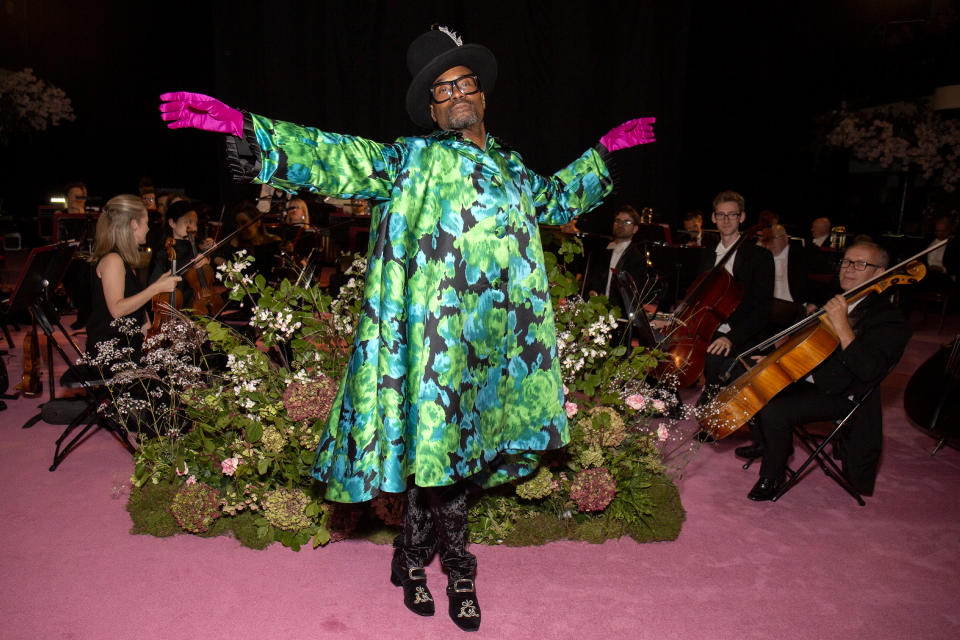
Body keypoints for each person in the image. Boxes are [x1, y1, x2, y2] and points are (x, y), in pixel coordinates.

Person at [160, 24, 655, 632]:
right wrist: (248, 128)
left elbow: (555, 201)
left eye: (463, 83)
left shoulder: (510, 166)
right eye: (440, 90)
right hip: (436, 348)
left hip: (498, 347)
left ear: (482, 92)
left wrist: (602, 152)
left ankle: (410, 555)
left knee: (455, 462)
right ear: (430, 107)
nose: (455, 96)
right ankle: (458, 572)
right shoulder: (411, 159)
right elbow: (340, 157)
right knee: (440, 456)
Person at [737, 241, 911, 500]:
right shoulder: (839, 299)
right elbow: (809, 347)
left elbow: (868, 369)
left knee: (774, 408)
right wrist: (776, 359)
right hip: (816, 378)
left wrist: (842, 325)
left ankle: (772, 476)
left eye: (861, 264)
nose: (849, 269)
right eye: (847, 262)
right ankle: (771, 445)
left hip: (845, 394)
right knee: (753, 376)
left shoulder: (889, 319)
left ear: (879, 272)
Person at [696, 190, 774, 400]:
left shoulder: (760, 257)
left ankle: (709, 412)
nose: (726, 220)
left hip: (741, 333)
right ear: (713, 218)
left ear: (742, 217)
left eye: (732, 214)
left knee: (714, 356)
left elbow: (762, 311)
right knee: (665, 344)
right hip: (708, 328)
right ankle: (669, 403)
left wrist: (731, 338)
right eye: (721, 215)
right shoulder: (706, 254)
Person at [85, 195, 180, 359]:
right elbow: (117, 309)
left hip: (127, 343)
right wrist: (156, 288)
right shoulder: (113, 260)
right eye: (146, 223)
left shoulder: (124, 260)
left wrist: (154, 340)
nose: (149, 229)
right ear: (133, 224)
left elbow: (138, 311)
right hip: (112, 351)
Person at [583, 204, 656, 342]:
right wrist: (593, 292)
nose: (621, 224)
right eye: (618, 221)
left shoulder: (637, 259)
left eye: (627, 221)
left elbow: (633, 293)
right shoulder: (603, 252)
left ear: (635, 229)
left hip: (620, 318)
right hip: (597, 313)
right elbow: (593, 280)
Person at [759, 224, 820, 329]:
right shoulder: (760, 257)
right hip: (766, 309)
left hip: (793, 309)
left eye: (773, 238)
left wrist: (813, 304)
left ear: (785, 239)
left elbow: (823, 280)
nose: (769, 243)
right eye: (766, 240)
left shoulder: (803, 256)